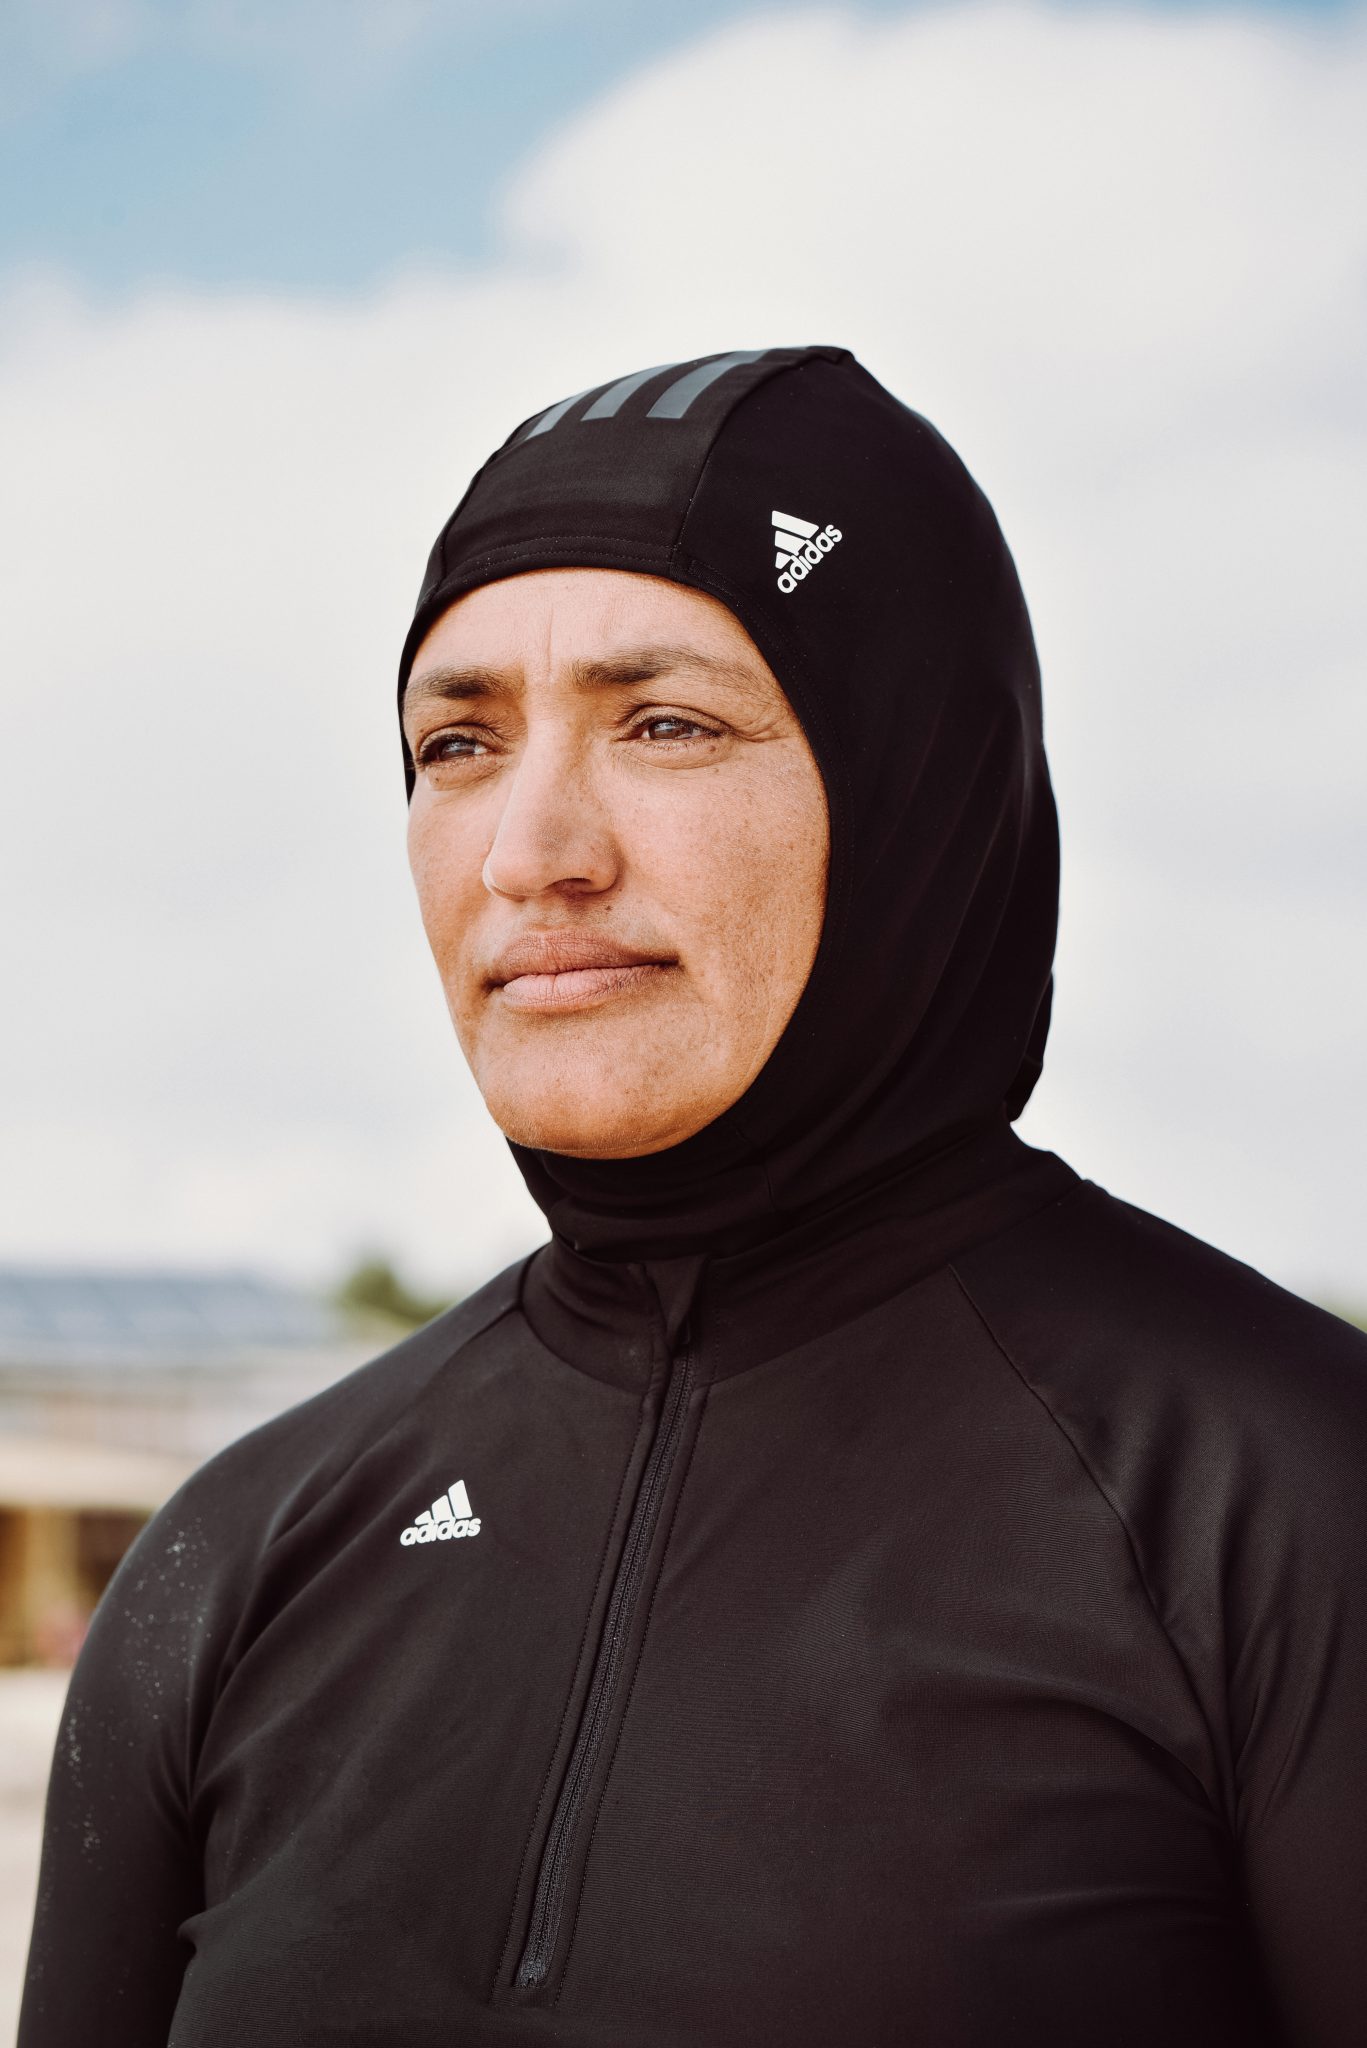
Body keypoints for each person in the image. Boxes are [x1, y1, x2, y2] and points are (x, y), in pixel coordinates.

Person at [19, 345, 1367, 2046]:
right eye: (459, 741)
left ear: (917, 782)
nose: (529, 854)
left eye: (665, 724)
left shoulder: (1285, 1501)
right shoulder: (239, 1555)